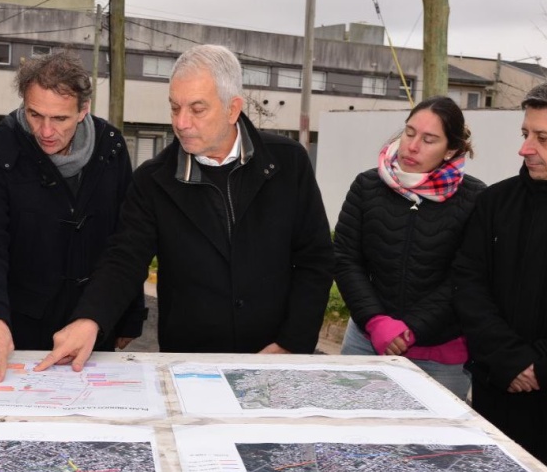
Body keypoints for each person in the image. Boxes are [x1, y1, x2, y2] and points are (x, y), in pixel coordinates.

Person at [38, 44, 334, 372]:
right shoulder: (153, 180)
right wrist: (90, 319)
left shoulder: (288, 163)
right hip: (191, 365)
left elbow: (315, 259)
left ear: (233, 108)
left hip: (277, 358)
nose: (181, 122)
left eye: (197, 109)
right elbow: (124, 260)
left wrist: (292, 343)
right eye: (175, 107)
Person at [0, 51, 144, 383]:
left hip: (95, 322)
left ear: (83, 111)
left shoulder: (111, 148)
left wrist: (126, 319)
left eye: (59, 119)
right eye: (34, 114)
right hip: (23, 328)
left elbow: (126, 239)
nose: (45, 130)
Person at [453, 76, 547, 472]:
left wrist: (542, 366)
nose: (525, 148)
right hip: (498, 396)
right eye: (525, 133)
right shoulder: (495, 203)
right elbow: (468, 285)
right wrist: (509, 360)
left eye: (542, 137)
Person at [334, 96, 485, 399]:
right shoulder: (367, 186)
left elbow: (466, 276)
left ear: (451, 149)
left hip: (440, 355)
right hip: (366, 340)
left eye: (429, 139)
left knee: (432, 444)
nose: (413, 146)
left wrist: (411, 329)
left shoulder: (476, 199)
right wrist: (376, 321)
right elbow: (345, 258)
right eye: (410, 132)